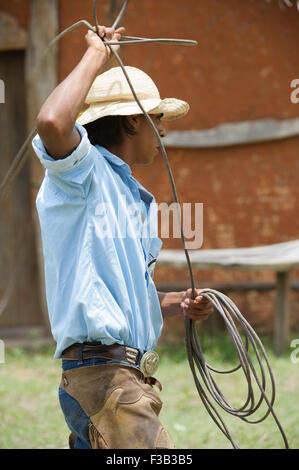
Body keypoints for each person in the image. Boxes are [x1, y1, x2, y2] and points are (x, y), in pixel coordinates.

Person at [32, 24, 213, 449]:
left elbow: (116, 290)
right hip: (104, 377)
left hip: (118, 376)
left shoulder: (130, 196)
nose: (163, 131)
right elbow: (52, 121)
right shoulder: (83, 175)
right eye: (158, 118)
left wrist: (173, 303)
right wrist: (98, 53)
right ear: (133, 119)